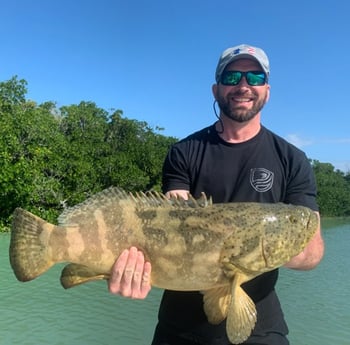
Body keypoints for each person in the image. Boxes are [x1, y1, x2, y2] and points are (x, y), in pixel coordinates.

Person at [108, 44, 324, 344]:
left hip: (261, 325)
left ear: (267, 90)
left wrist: (257, 249)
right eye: (232, 77)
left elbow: (313, 252)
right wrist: (131, 267)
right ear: (216, 88)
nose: (244, 86)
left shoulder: (292, 159)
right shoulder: (184, 152)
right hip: (178, 327)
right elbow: (172, 225)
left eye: (255, 77)